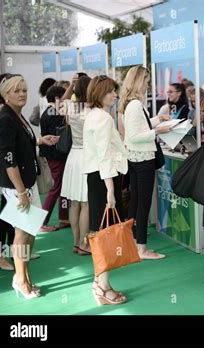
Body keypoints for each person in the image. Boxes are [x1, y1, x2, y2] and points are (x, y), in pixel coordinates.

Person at [0, 74, 57, 298]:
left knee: (30, 234)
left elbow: (22, 146)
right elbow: (8, 160)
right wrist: (21, 192)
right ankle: (20, 280)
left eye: (24, 89)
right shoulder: (5, 120)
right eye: (17, 90)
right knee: (21, 235)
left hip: (27, 183)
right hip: (16, 186)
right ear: (6, 95)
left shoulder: (18, 117)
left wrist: (40, 140)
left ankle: (25, 276)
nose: (22, 94)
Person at [83, 75, 128, 305]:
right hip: (104, 180)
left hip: (99, 178)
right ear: (99, 92)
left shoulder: (94, 115)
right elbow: (104, 156)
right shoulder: (102, 118)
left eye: (114, 91)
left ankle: (102, 283)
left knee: (101, 233)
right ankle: (101, 287)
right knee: (105, 235)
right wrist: (111, 189)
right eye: (110, 91)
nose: (114, 95)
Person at [119, 66, 172, 260]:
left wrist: (158, 120)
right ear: (139, 81)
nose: (148, 84)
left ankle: (134, 243)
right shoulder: (134, 104)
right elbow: (135, 135)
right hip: (142, 159)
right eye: (147, 80)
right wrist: (158, 131)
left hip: (136, 158)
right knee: (143, 204)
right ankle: (141, 248)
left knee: (136, 203)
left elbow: (139, 126)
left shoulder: (131, 103)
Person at [60, 75, 92, 255]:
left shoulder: (71, 108)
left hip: (73, 156)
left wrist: (71, 84)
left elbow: (63, 100)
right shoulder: (92, 110)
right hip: (86, 156)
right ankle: (83, 243)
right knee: (86, 203)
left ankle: (75, 242)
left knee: (74, 203)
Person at [0, 73, 16, 271]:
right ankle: (0, 254)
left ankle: (13, 251)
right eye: (16, 89)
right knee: (6, 213)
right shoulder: (1, 112)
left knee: (10, 213)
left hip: (7, 168)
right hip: (6, 169)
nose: (22, 93)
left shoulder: (10, 112)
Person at [39, 86, 69, 232]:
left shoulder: (46, 112)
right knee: (57, 187)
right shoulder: (55, 114)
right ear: (57, 99)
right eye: (64, 99)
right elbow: (59, 137)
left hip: (52, 155)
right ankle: (42, 221)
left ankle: (64, 217)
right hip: (57, 156)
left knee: (62, 187)